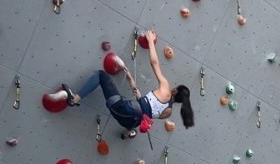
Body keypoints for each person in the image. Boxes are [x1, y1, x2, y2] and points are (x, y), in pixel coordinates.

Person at [65, 30, 194, 139]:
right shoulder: (168, 113)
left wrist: (150, 41)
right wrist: (132, 81)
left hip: (123, 109)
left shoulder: (165, 88)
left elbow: (154, 63)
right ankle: (126, 134)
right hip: (128, 121)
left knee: (100, 75)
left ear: (175, 91)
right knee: (135, 118)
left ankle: (74, 99)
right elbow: (145, 108)